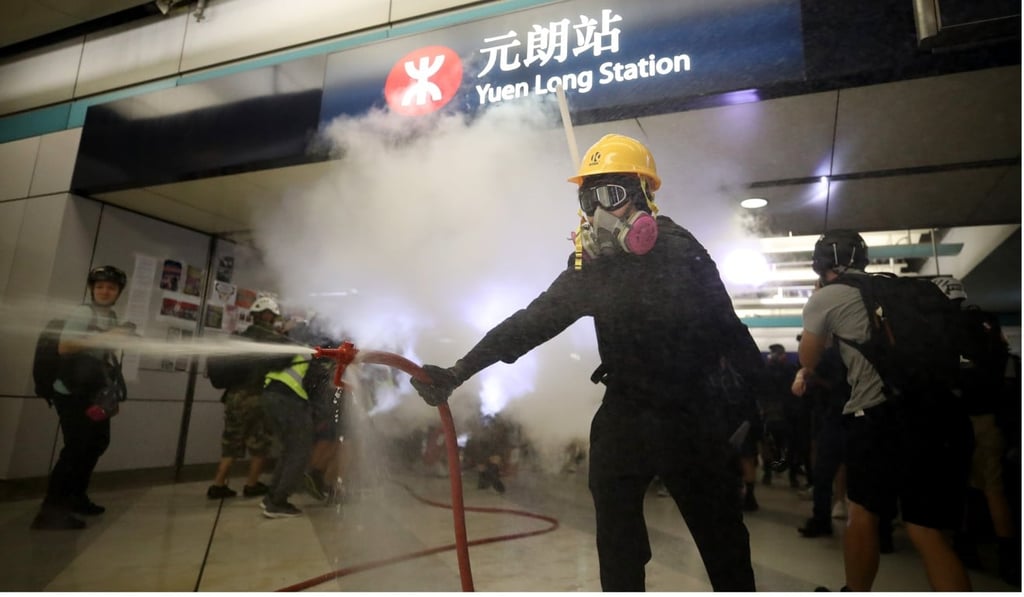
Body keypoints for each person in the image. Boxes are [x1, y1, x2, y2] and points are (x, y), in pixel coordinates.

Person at [410, 134, 761, 591]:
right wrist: (459, 370)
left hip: (692, 415)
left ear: (643, 195)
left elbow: (731, 334)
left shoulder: (682, 252)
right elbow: (532, 321)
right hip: (626, 411)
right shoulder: (593, 266)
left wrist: (758, 416)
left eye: (611, 195)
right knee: (617, 546)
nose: (598, 210)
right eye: (587, 197)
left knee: (722, 540)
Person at [796, 229, 973, 591]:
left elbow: (808, 359)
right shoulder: (900, 289)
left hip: (877, 417)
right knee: (925, 527)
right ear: (862, 259)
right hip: (934, 411)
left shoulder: (827, 296)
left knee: (863, 512)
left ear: (820, 265)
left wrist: (821, 308)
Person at [32, 265, 134, 530]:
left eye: (110, 287)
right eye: (99, 286)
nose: (104, 291)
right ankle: (51, 510)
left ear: (118, 292)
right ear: (92, 289)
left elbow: (101, 356)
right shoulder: (82, 313)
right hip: (71, 393)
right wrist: (106, 336)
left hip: (94, 392)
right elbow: (65, 347)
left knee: (98, 442)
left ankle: (76, 497)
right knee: (76, 448)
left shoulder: (109, 316)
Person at [933, 276, 1020, 585]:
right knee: (993, 487)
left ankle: (965, 546)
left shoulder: (944, 330)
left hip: (960, 419)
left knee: (962, 484)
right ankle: (1009, 558)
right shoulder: (988, 326)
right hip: (992, 418)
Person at [206, 297, 288, 500]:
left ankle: (218, 485)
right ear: (269, 316)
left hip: (234, 397)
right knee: (260, 442)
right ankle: (251, 484)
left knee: (231, 441)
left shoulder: (242, 336)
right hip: (257, 398)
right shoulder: (273, 339)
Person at [259, 319, 317, 518]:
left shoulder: (292, 343)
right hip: (289, 398)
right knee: (299, 452)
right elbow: (314, 384)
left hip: (270, 394)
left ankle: (271, 497)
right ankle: (277, 502)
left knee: (289, 450)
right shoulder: (312, 348)